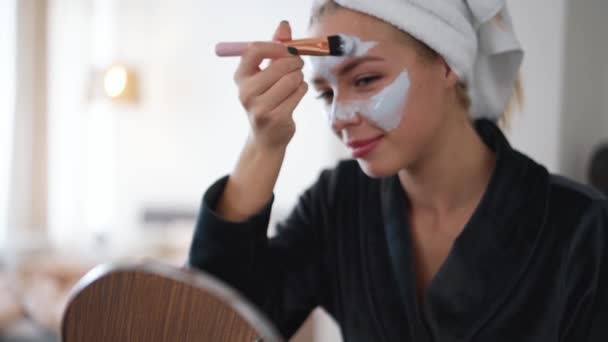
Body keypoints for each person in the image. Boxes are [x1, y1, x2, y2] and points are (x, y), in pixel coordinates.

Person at [188, 1, 608, 340]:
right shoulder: (339, 204)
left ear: (446, 63)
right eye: (325, 94)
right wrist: (264, 145)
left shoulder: (584, 231)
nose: (339, 116)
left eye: (366, 80)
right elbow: (215, 327)